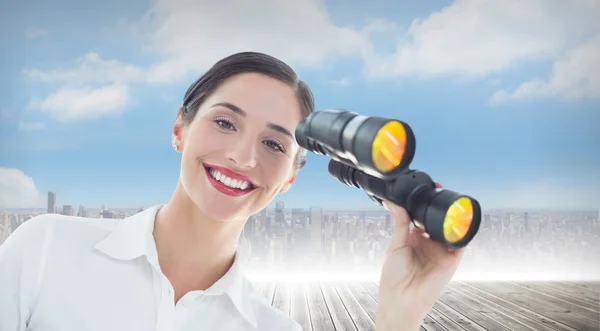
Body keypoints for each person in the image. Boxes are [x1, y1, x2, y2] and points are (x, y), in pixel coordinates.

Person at [0, 52, 465, 331]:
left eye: (273, 143)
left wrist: (400, 314)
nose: (244, 157)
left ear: (289, 180)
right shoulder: (45, 250)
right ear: (180, 129)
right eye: (225, 122)